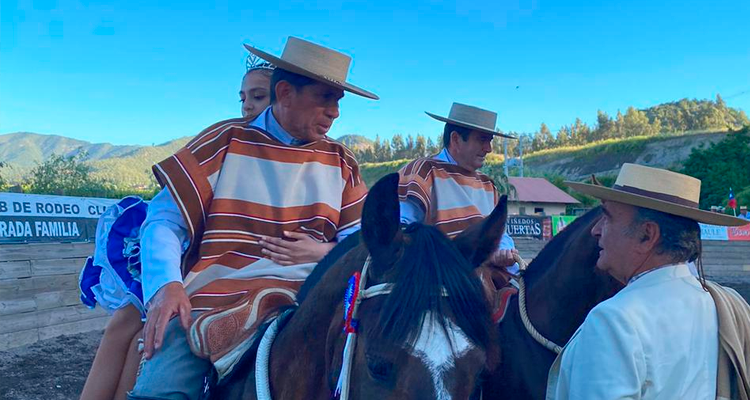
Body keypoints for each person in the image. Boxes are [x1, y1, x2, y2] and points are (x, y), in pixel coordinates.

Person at [128, 37, 377, 400]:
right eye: (325, 98)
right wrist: (166, 286)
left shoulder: (342, 160)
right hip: (217, 295)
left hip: (316, 297)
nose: (335, 112)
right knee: (161, 392)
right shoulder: (224, 140)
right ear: (286, 92)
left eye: (338, 102)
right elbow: (164, 221)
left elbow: (364, 242)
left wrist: (323, 253)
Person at [80, 55, 277, 400]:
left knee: (142, 338)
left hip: (213, 265)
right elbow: (174, 206)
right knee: (124, 326)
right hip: (184, 259)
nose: (247, 105)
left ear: (284, 97)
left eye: (257, 97)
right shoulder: (224, 139)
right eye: (243, 97)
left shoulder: (308, 158)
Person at [546, 163, 747, 399]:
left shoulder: (614, 320)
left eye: (607, 218)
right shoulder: (716, 304)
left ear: (647, 235)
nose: (596, 230)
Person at [398, 102, 520, 273]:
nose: (489, 149)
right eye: (482, 139)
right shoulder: (423, 172)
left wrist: (503, 251)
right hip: (438, 282)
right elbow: (402, 230)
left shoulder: (488, 185)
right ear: (455, 139)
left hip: (489, 277)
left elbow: (501, 235)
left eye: (490, 141)